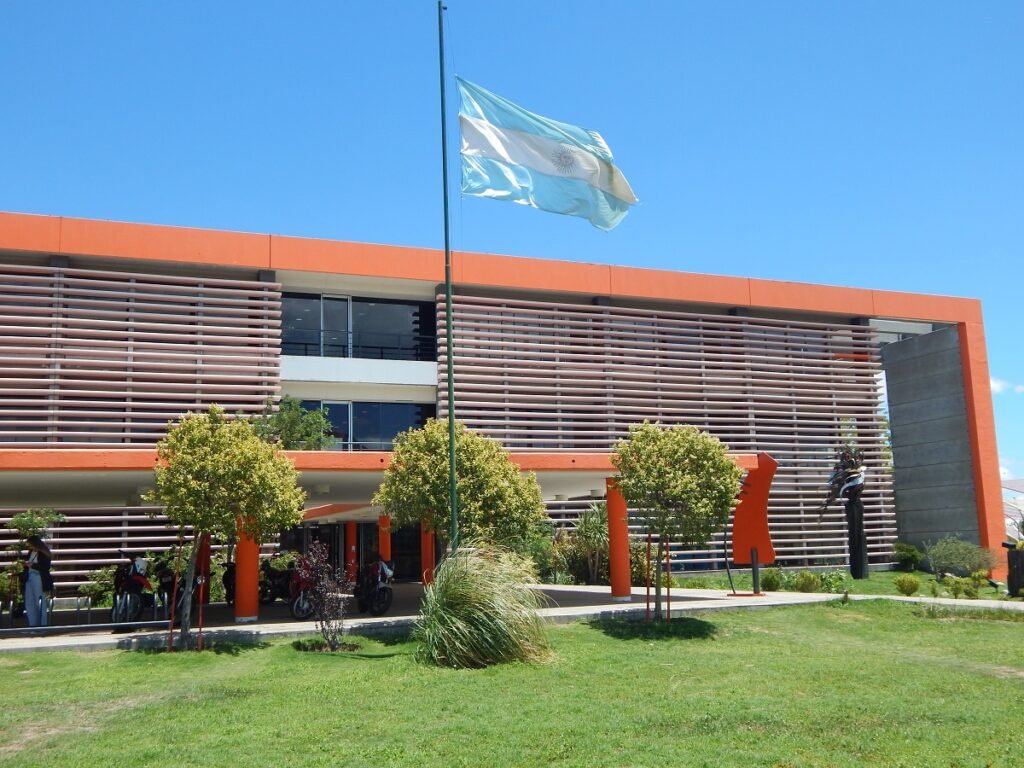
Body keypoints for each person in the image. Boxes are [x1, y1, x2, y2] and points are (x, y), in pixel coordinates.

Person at [24, 535, 54, 628]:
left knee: (39, 601)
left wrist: (32, 565)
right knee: (29, 602)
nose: (29, 546)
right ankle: (32, 625)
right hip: (29, 577)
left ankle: (42, 625)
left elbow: (45, 567)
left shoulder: (43, 553)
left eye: (30, 544)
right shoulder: (30, 552)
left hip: (38, 577)